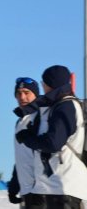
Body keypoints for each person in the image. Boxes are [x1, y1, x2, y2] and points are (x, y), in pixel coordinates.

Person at [16, 65, 87, 209]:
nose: (43, 86)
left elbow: (54, 143)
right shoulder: (57, 105)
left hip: (65, 186)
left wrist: (28, 139)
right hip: (55, 186)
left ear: (52, 84)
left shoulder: (66, 106)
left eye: (44, 83)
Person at [8, 77, 46, 209]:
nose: (22, 97)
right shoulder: (20, 122)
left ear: (36, 94)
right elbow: (22, 157)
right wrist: (14, 185)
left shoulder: (42, 117)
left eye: (26, 92)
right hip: (27, 190)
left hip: (42, 191)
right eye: (18, 93)